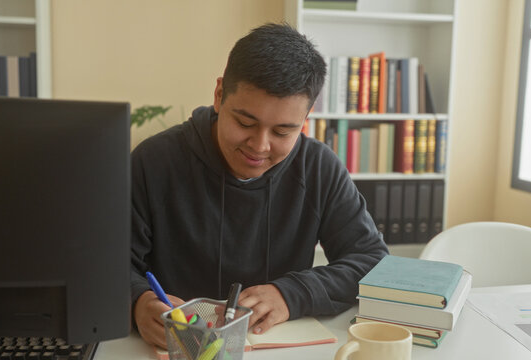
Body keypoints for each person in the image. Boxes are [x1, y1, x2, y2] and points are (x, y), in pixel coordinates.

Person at [130, 23, 388, 349]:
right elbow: (106, 266)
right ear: (219, 95)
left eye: (282, 132)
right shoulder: (153, 162)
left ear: (305, 119)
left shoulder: (318, 168)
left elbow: (372, 261)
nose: (260, 146)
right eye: (245, 123)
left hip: (277, 349)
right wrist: (137, 301)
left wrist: (291, 294)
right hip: (172, 349)